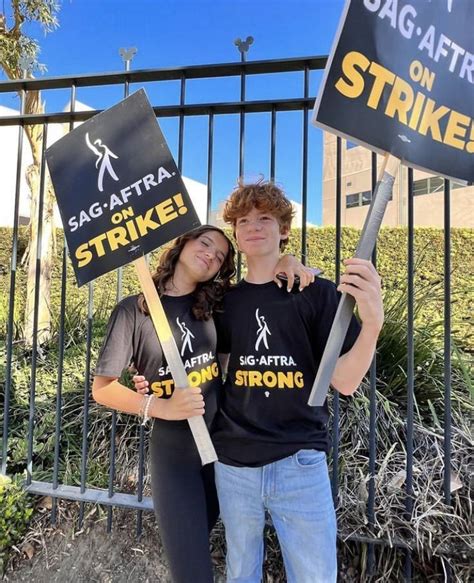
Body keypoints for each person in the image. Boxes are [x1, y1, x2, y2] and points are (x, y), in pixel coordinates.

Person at [92, 224, 313, 583]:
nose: (211, 254)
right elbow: (101, 389)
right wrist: (159, 406)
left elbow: (246, 312)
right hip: (176, 456)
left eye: (221, 256)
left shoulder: (215, 305)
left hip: (224, 449)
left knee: (223, 545)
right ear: (182, 245)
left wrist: (286, 258)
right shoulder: (135, 311)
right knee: (192, 570)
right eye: (205, 243)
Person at [209, 180, 384, 583]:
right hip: (234, 462)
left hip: (299, 462)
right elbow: (212, 373)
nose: (254, 226)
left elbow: (346, 381)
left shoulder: (317, 294)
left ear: (284, 229)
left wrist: (372, 324)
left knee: (315, 576)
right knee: (240, 573)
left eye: (265, 218)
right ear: (235, 232)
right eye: (244, 220)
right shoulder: (225, 301)